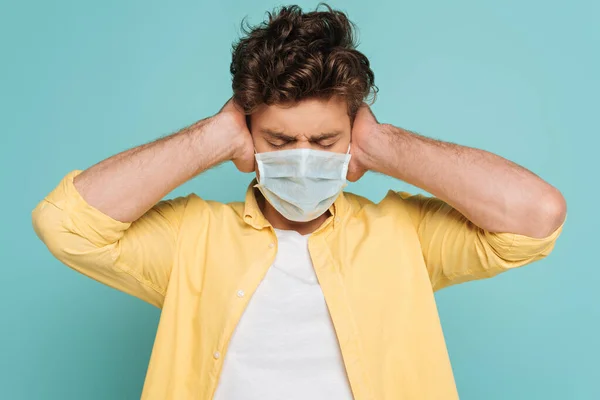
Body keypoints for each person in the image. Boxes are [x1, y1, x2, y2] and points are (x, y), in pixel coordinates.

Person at [32, 4, 566, 400]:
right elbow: (65, 225)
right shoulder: (191, 238)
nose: (304, 159)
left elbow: (536, 216)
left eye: (326, 141)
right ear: (248, 133)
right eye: (282, 142)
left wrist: (383, 146)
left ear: (353, 134)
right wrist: (212, 137)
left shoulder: (405, 235)